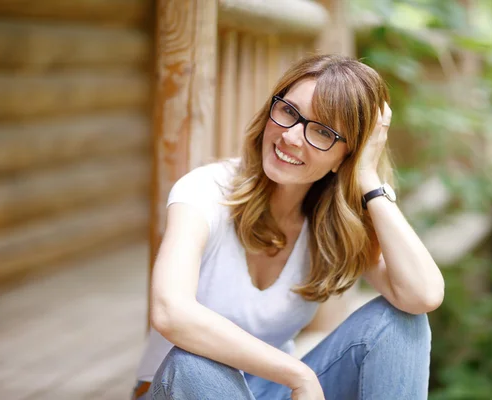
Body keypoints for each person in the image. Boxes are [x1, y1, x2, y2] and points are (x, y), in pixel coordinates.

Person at [132, 54, 445, 400]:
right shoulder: (204, 191)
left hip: (269, 392)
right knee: (193, 362)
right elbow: (170, 312)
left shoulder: (333, 226)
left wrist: (368, 178)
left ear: (347, 156)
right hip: (184, 389)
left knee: (400, 321)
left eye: (323, 132)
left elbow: (422, 296)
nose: (292, 137)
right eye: (289, 112)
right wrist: (298, 374)